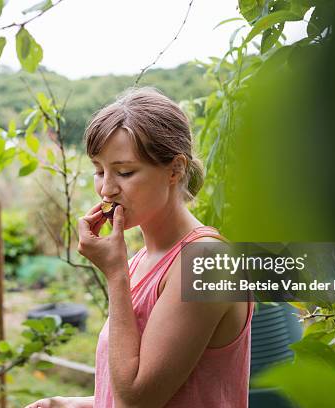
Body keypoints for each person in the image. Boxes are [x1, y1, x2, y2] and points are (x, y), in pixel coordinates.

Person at [25, 88, 253, 408]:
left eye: (125, 172)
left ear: (174, 169)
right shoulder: (142, 260)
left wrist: (115, 275)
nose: (106, 189)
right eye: (99, 170)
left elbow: (137, 400)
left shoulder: (206, 262)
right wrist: (73, 404)